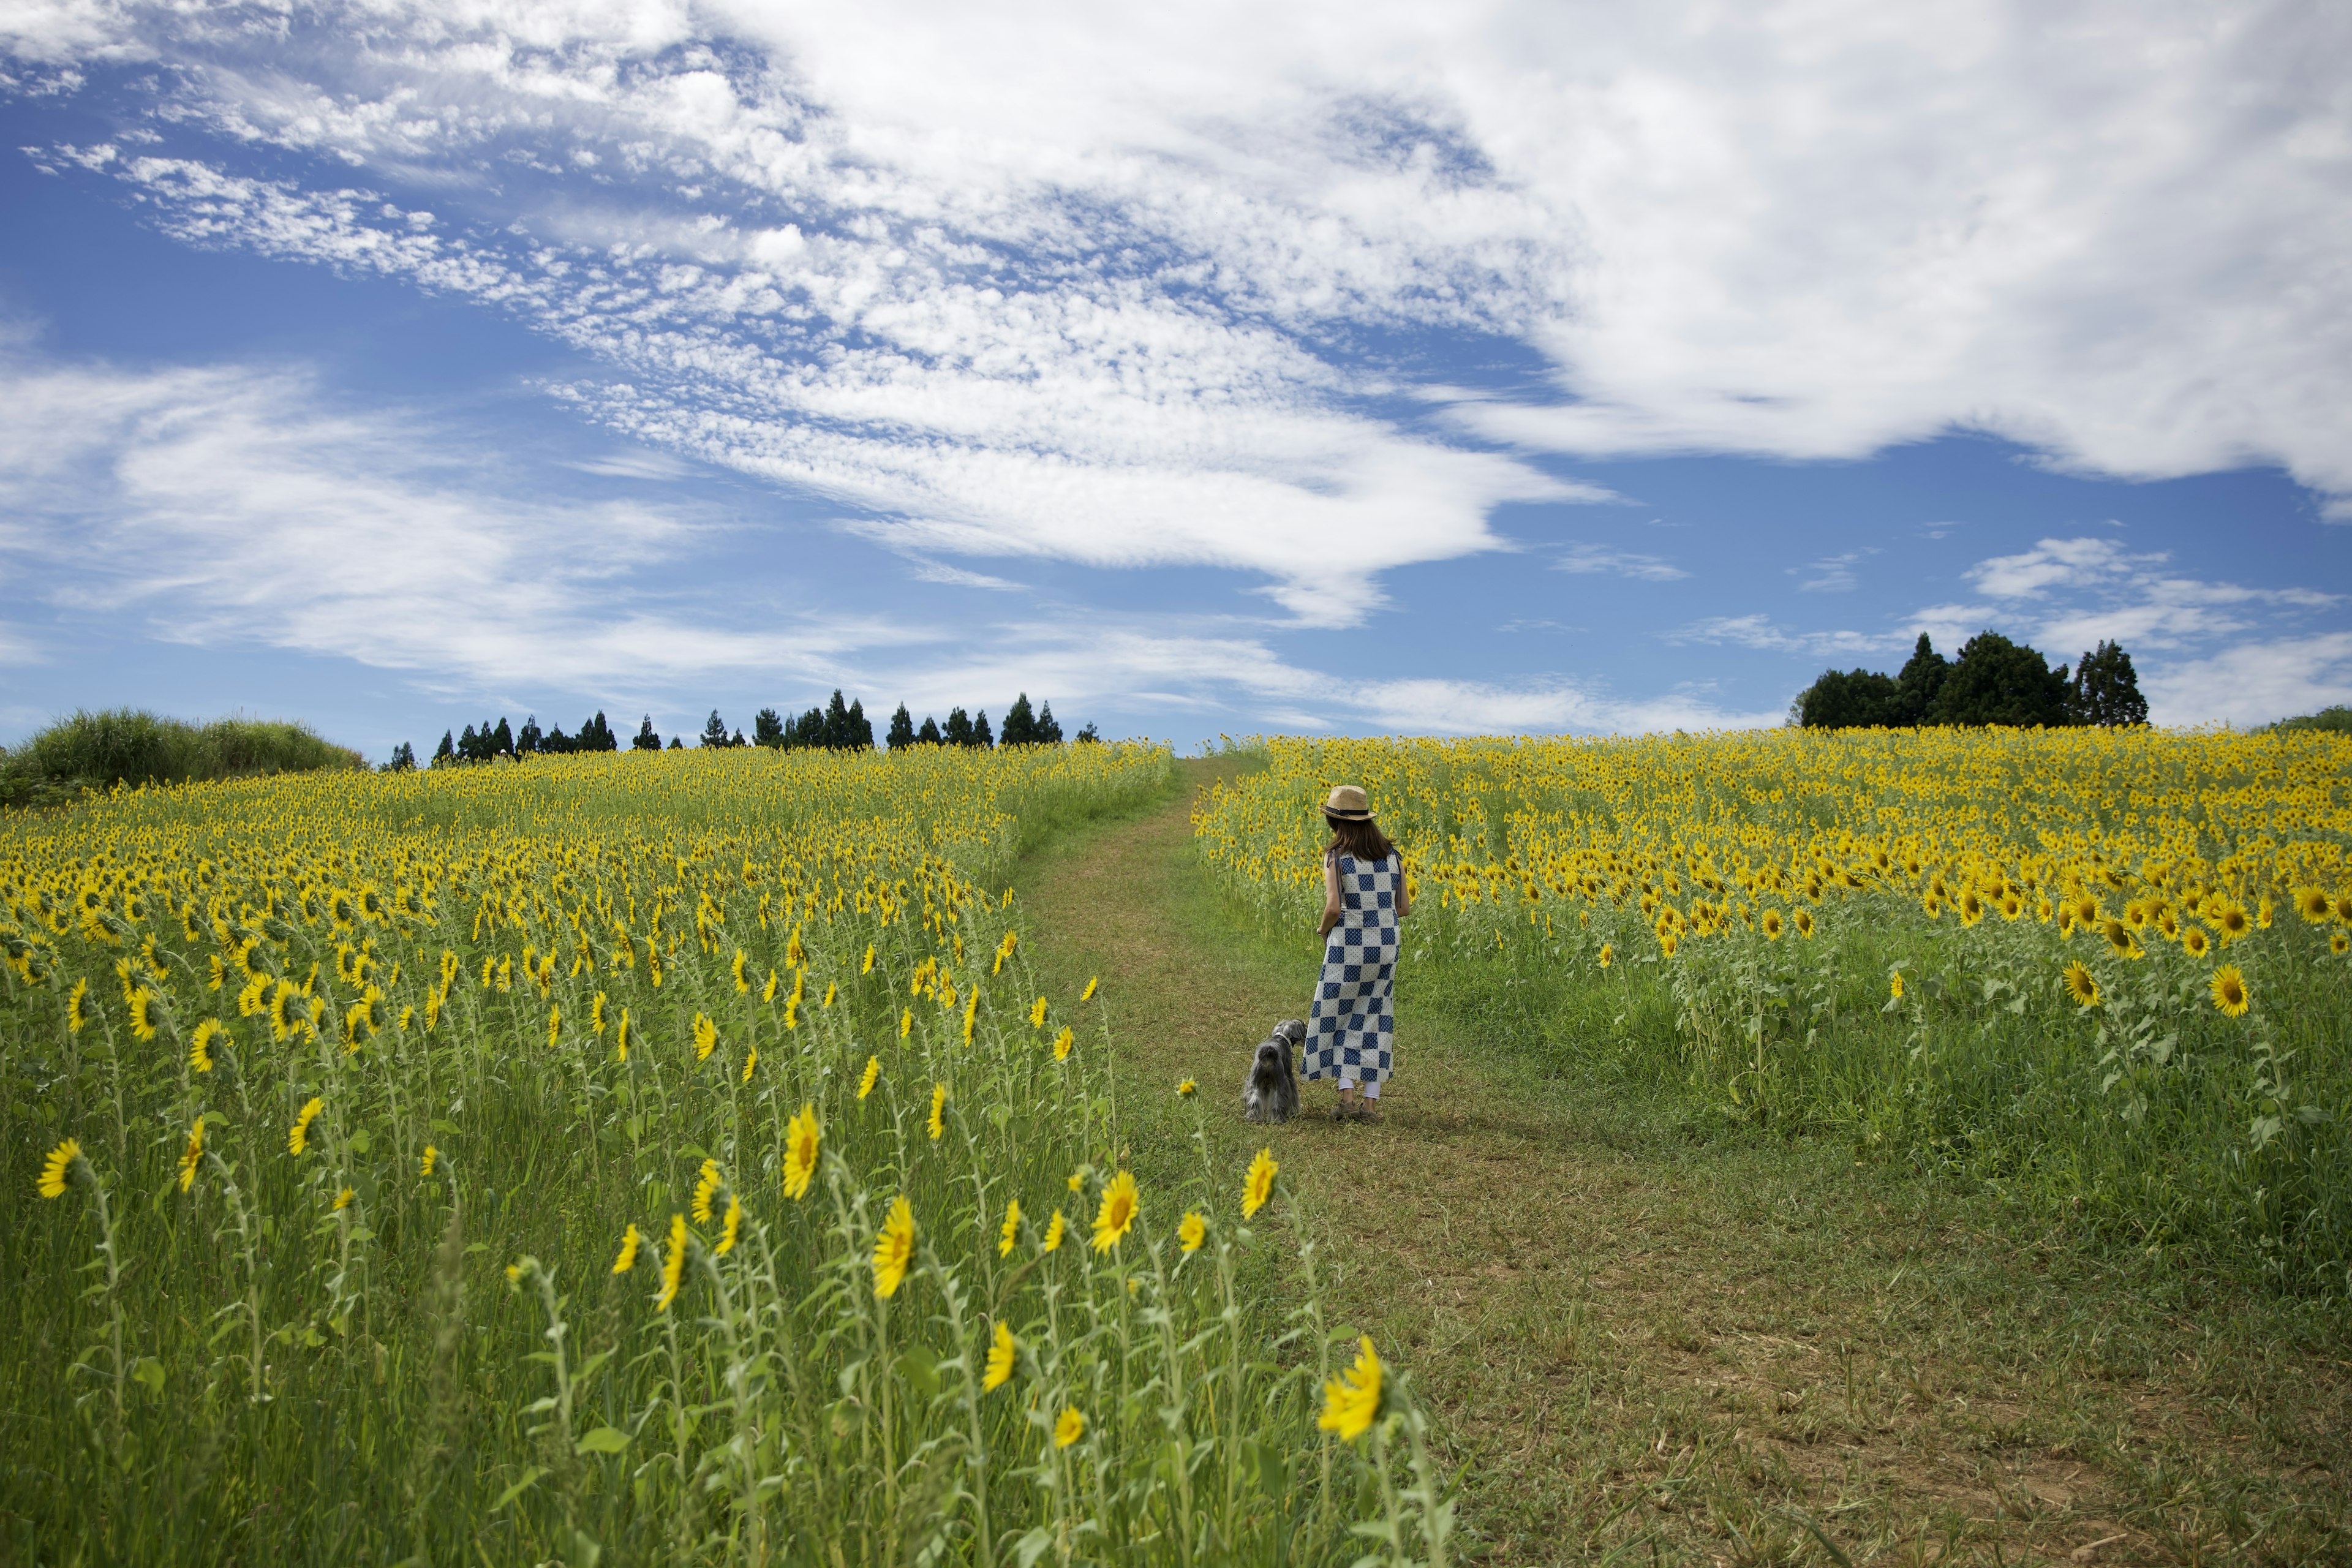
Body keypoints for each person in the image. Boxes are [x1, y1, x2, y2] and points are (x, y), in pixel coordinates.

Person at [1305, 784, 1410, 1121]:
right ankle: (1370, 1106)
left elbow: (1333, 907)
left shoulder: (1335, 857)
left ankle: (1346, 1100)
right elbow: (1404, 908)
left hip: (1349, 943)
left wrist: (1323, 930)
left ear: (1336, 823)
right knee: (1375, 1017)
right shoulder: (1393, 857)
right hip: (1385, 944)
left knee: (1338, 1013)